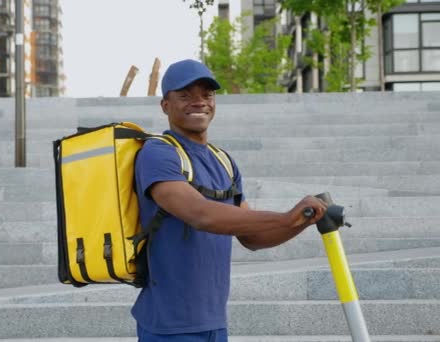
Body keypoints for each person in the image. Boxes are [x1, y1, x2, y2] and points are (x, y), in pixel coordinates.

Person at [131, 59, 328, 342]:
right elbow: (200, 214)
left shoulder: (223, 161)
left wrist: (302, 221)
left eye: (206, 94)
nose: (199, 102)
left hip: (214, 322)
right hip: (169, 325)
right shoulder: (158, 153)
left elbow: (252, 238)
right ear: (165, 105)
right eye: (185, 95)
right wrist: (285, 216)